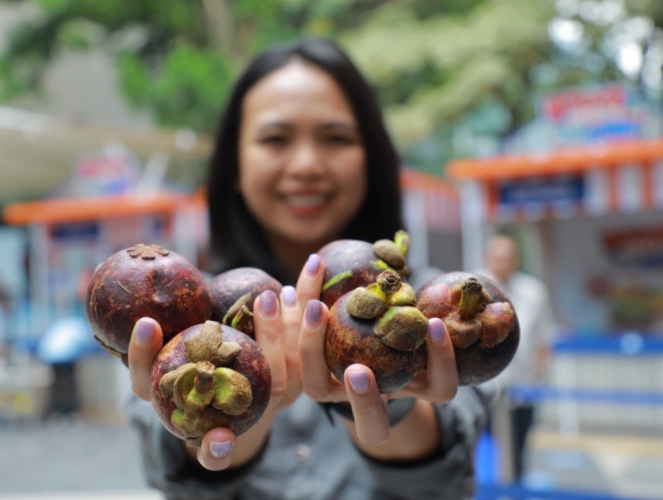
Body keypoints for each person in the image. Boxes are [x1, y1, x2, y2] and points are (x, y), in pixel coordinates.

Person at [126, 37, 495, 500]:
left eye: (336, 138)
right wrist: (234, 413)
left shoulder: (436, 308)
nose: (306, 165)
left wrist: (392, 399)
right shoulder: (178, 315)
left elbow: (446, 478)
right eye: (275, 138)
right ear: (234, 166)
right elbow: (183, 481)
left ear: (371, 159)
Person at [477, 231, 557, 482]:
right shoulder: (472, 286)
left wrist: (540, 376)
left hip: (522, 387)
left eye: (508, 256)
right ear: (487, 258)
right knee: (483, 452)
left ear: (516, 259)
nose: (503, 262)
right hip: (484, 389)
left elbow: (545, 337)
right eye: (497, 256)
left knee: (518, 451)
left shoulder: (533, 291)